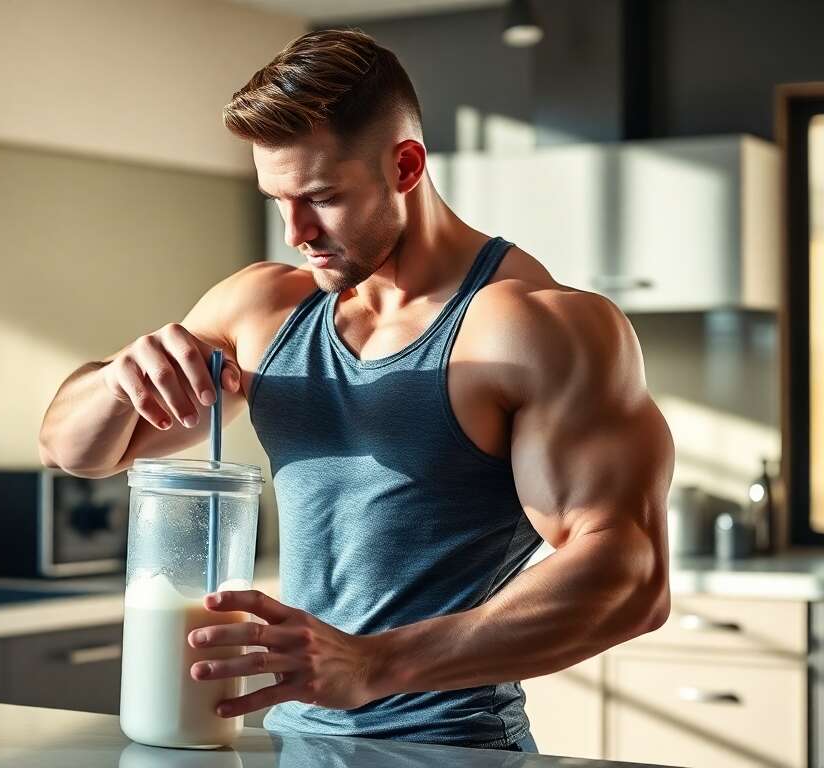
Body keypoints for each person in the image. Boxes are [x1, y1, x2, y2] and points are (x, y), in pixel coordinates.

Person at [37, 28, 671, 752]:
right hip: (293, 743)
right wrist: (122, 378)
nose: (297, 233)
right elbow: (69, 450)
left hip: (449, 747)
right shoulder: (264, 306)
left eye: (323, 198)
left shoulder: (534, 328)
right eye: (278, 200)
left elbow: (631, 575)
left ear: (405, 166)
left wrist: (374, 664)